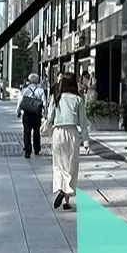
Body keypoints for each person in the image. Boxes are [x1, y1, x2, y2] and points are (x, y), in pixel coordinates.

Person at [48, 72, 87, 210]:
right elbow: (83, 122)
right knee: (71, 165)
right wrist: (86, 141)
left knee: (58, 164)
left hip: (58, 133)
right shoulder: (78, 99)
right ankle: (66, 198)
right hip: (72, 133)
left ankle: (61, 190)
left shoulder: (56, 97)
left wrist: (45, 129)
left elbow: (49, 117)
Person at [18, 73, 47, 157]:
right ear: (37, 81)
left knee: (26, 132)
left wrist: (18, 111)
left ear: (29, 81)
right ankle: (37, 148)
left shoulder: (24, 90)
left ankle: (27, 150)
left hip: (27, 113)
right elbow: (44, 103)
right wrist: (45, 113)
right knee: (36, 131)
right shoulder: (41, 90)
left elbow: (20, 101)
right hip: (36, 114)